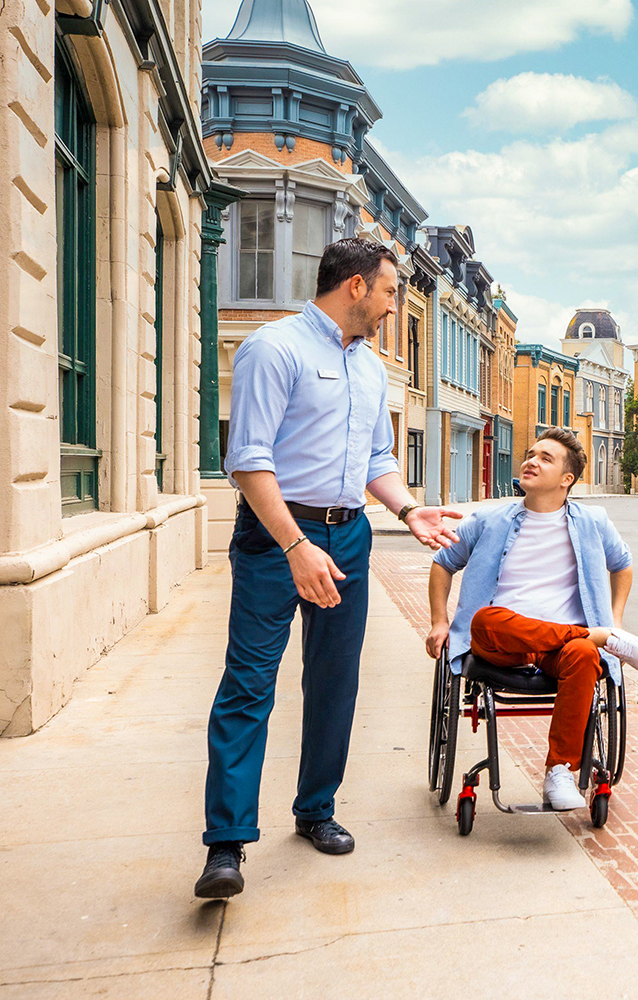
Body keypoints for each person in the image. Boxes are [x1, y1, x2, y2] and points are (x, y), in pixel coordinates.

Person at [196, 239, 464, 899]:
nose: (394, 304)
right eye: (390, 291)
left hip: (348, 539)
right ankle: (226, 844)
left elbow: (377, 460)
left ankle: (316, 809)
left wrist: (407, 512)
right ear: (353, 286)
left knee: (335, 682)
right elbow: (249, 460)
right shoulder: (274, 348)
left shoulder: (371, 369)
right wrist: (294, 546)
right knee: (249, 685)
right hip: (276, 534)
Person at [425, 428, 638, 812]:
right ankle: (599, 636)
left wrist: (615, 617)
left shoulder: (593, 522)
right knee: (486, 619)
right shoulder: (488, 519)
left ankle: (560, 772)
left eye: (545, 458)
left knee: (584, 655)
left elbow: (622, 565)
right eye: (531, 454)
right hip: (501, 646)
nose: (531, 461)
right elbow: (443, 563)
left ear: (567, 479)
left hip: (561, 652)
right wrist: (439, 621)